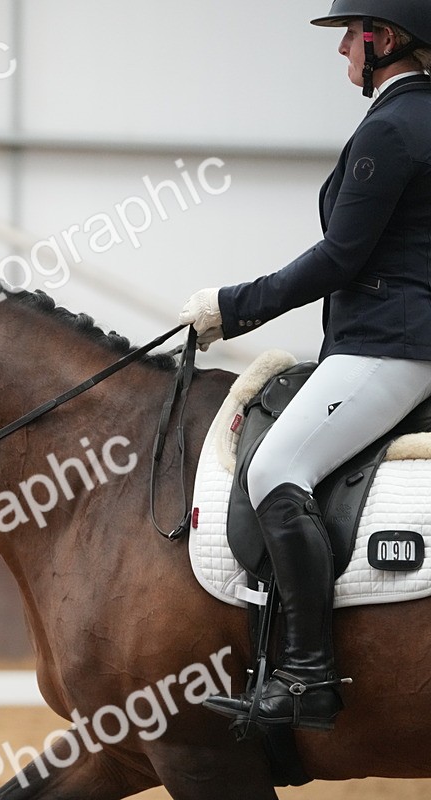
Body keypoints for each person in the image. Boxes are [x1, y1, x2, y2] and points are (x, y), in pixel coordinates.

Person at [179, 0, 431, 731]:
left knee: (273, 469)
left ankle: (307, 676)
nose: (342, 50)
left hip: (390, 345)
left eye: (351, 34)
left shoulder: (392, 126)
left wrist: (234, 305)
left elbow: (339, 258)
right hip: (401, 338)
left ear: (381, 39)